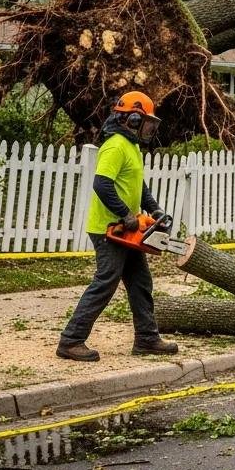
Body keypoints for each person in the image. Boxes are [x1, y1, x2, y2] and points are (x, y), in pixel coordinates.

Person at [56, 92, 179, 361]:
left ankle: (147, 338)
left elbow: (138, 183)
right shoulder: (114, 146)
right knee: (106, 281)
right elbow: (102, 184)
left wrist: (153, 208)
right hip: (108, 228)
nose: (149, 128)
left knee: (140, 282)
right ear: (133, 119)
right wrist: (125, 214)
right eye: (145, 122)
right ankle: (71, 340)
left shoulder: (131, 146)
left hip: (128, 229)